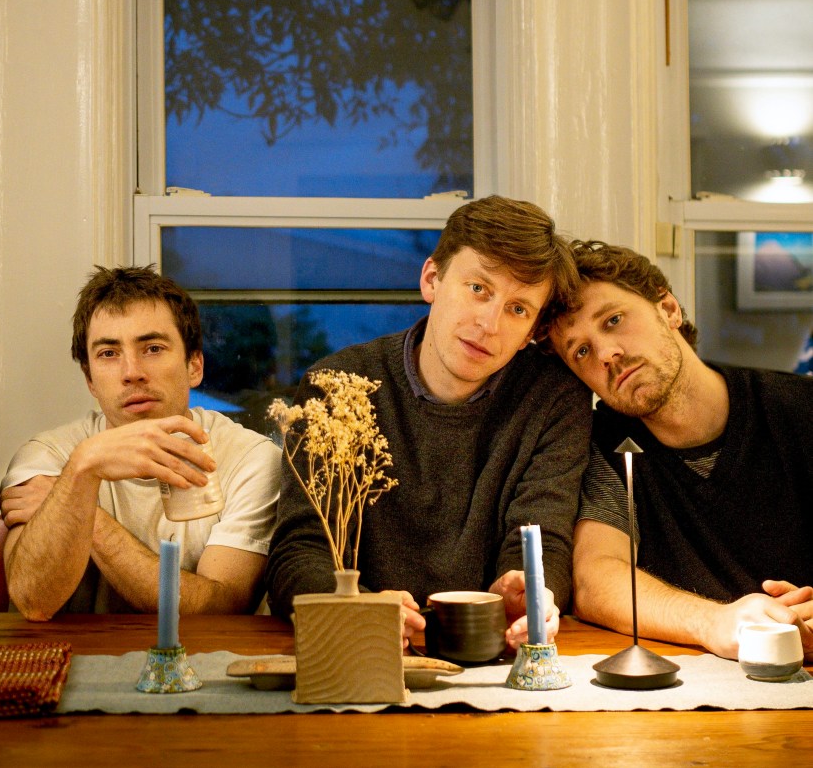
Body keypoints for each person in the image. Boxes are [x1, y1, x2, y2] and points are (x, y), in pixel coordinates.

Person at [266, 195, 592, 650]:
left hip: (488, 649)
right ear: (432, 279)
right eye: (478, 289)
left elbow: (543, 536)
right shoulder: (339, 386)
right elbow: (298, 550)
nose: (490, 323)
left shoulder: (553, 399)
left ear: (531, 333)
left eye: (518, 309)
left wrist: (528, 590)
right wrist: (353, 608)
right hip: (360, 649)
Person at [547, 239, 813, 661]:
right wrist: (714, 622)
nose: (607, 354)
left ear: (668, 309)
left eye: (613, 320)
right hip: (689, 680)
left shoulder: (799, 409)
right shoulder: (604, 446)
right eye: (581, 351)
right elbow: (595, 580)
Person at [0, 266, 281, 619]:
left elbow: (219, 609)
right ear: (90, 379)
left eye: (153, 348)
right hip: (75, 653)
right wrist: (82, 469)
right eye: (108, 353)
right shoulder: (49, 455)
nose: (132, 372)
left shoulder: (251, 459)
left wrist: (89, 516)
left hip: (201, 653)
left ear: (194, 366)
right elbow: (33, 600)